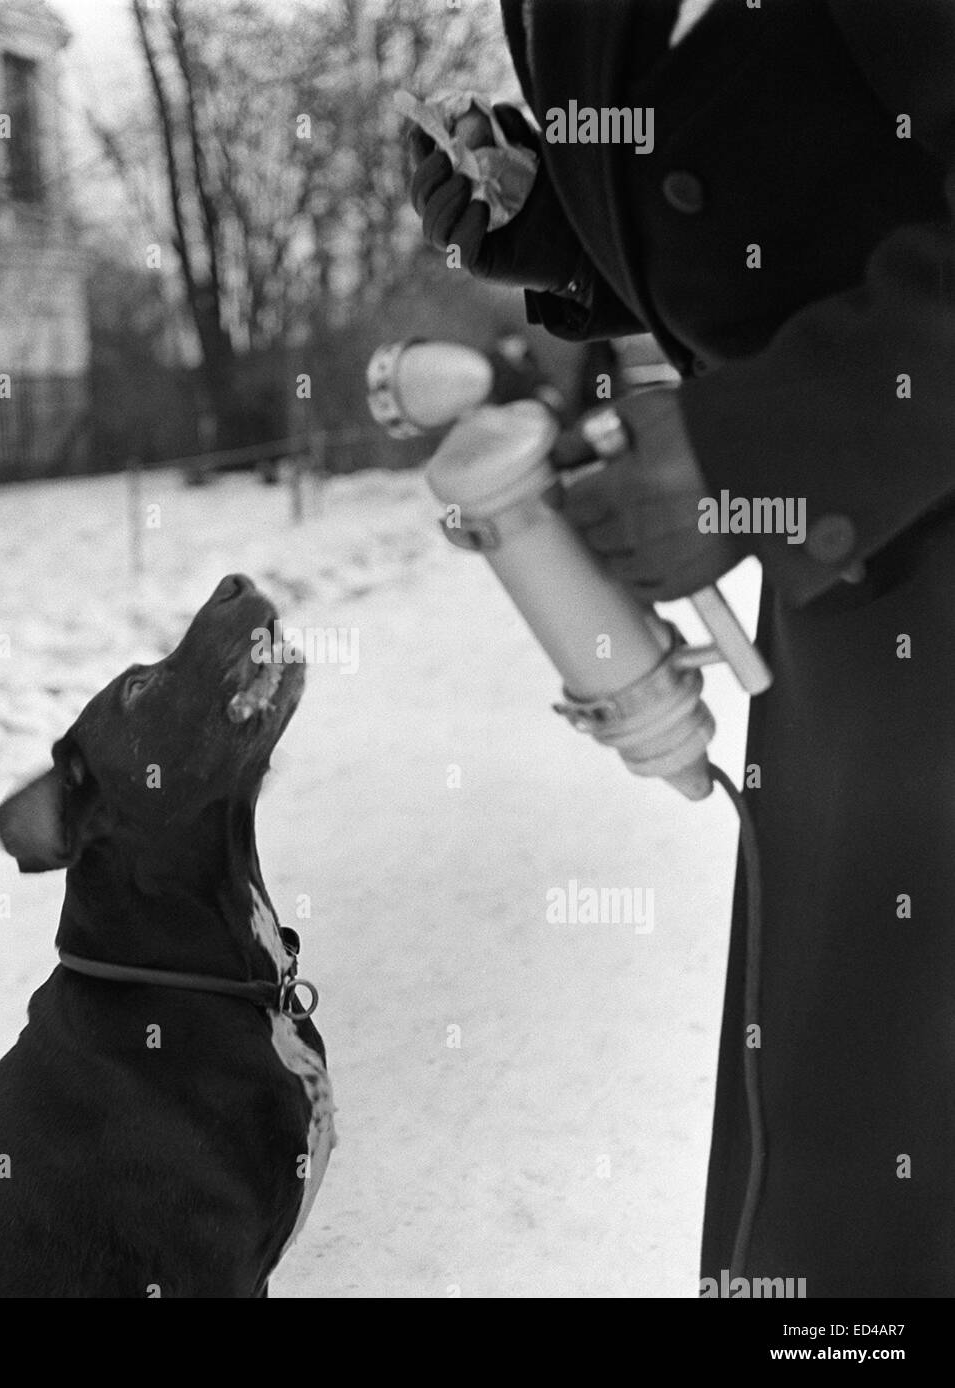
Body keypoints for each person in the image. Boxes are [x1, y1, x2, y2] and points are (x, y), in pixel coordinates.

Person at [409, 0, 955, 1296]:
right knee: (829, 1142)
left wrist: (756, 453)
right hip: (861, 591)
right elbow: (811, 170)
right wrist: (560, 215)